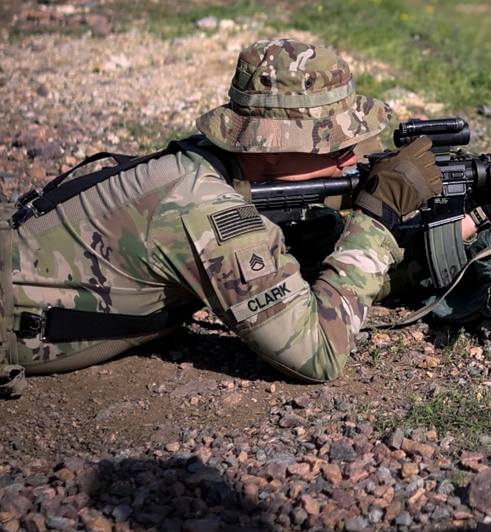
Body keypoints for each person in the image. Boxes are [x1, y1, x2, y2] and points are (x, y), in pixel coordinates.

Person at [0, 38, 445, 396]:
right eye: (337, 145)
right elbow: (318, 354)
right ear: (270, 147)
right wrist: (376, 221)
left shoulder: (205, 163)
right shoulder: (207, 212)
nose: (354, 157)